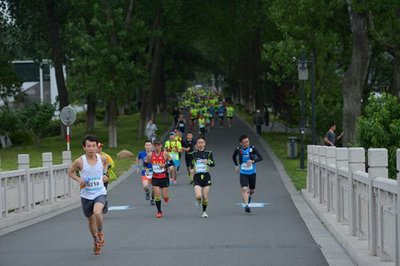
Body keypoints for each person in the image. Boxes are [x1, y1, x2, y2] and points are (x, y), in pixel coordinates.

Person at [68, 135, 109, 255]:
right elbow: (70, 172)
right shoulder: (79, 161)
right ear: (84, 147)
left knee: (97, 213)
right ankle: (95, 239)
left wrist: (105, 174)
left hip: (100, 192)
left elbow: (106, 164)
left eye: (93, 146)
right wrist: (79, 180)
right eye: (88, 146)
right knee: (91, 220)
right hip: (86, 195)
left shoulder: (102, 158)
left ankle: (100, 232)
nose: (91, 148)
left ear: (97, 147)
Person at [232, 135, 263, 213]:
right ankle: (246, 205)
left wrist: (252, 161)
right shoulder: (238, 150)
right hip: (243, 173)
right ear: (241, 143)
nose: (246, 143)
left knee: (251, 190)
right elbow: (233, 157)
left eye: (247, 141)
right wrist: (236, 166)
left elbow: (260, 157)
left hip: (252, 173)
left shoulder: (253, 149)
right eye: (244, 142)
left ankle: (248, 197)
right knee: (245, 189)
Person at [145, 139, 173, 218]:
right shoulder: (150, 154)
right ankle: (159, 211)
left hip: (164, 177)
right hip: (155, 177)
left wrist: (164, 165)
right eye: (155, 145)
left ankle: (166, 198)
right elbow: (145, 162)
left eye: (158, 145)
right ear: (153, 146)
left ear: (161, 146)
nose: (157, 147)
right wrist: (146, 169)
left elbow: (171, 162)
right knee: (157, 194)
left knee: (165, 196)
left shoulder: (165, 153)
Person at [189, 136, 215, 218]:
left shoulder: (209, 153)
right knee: (198, 196)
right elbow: (191, 164)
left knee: (205, 196)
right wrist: (191, 170)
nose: (200, 144)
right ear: (197, 144)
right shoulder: (193, 154)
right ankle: (198, 200)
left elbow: (213, 164)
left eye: (202, 142)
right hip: (197, 176)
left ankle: (204, 212)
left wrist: (207, 161)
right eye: (199, 142)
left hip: (206, 176)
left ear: (205, 143)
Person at [136, 140, 155, 205]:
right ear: (144, 146)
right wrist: (138, 166)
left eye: (149, 145)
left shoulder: (154, 153)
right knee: (145, 186)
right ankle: (147, 192)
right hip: (145, 172)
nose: (148, 147)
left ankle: (152, 199)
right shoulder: (141, 153)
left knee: (154, 188)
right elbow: (138, 158)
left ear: (152, 146)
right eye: (146, 145)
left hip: (154, 172)